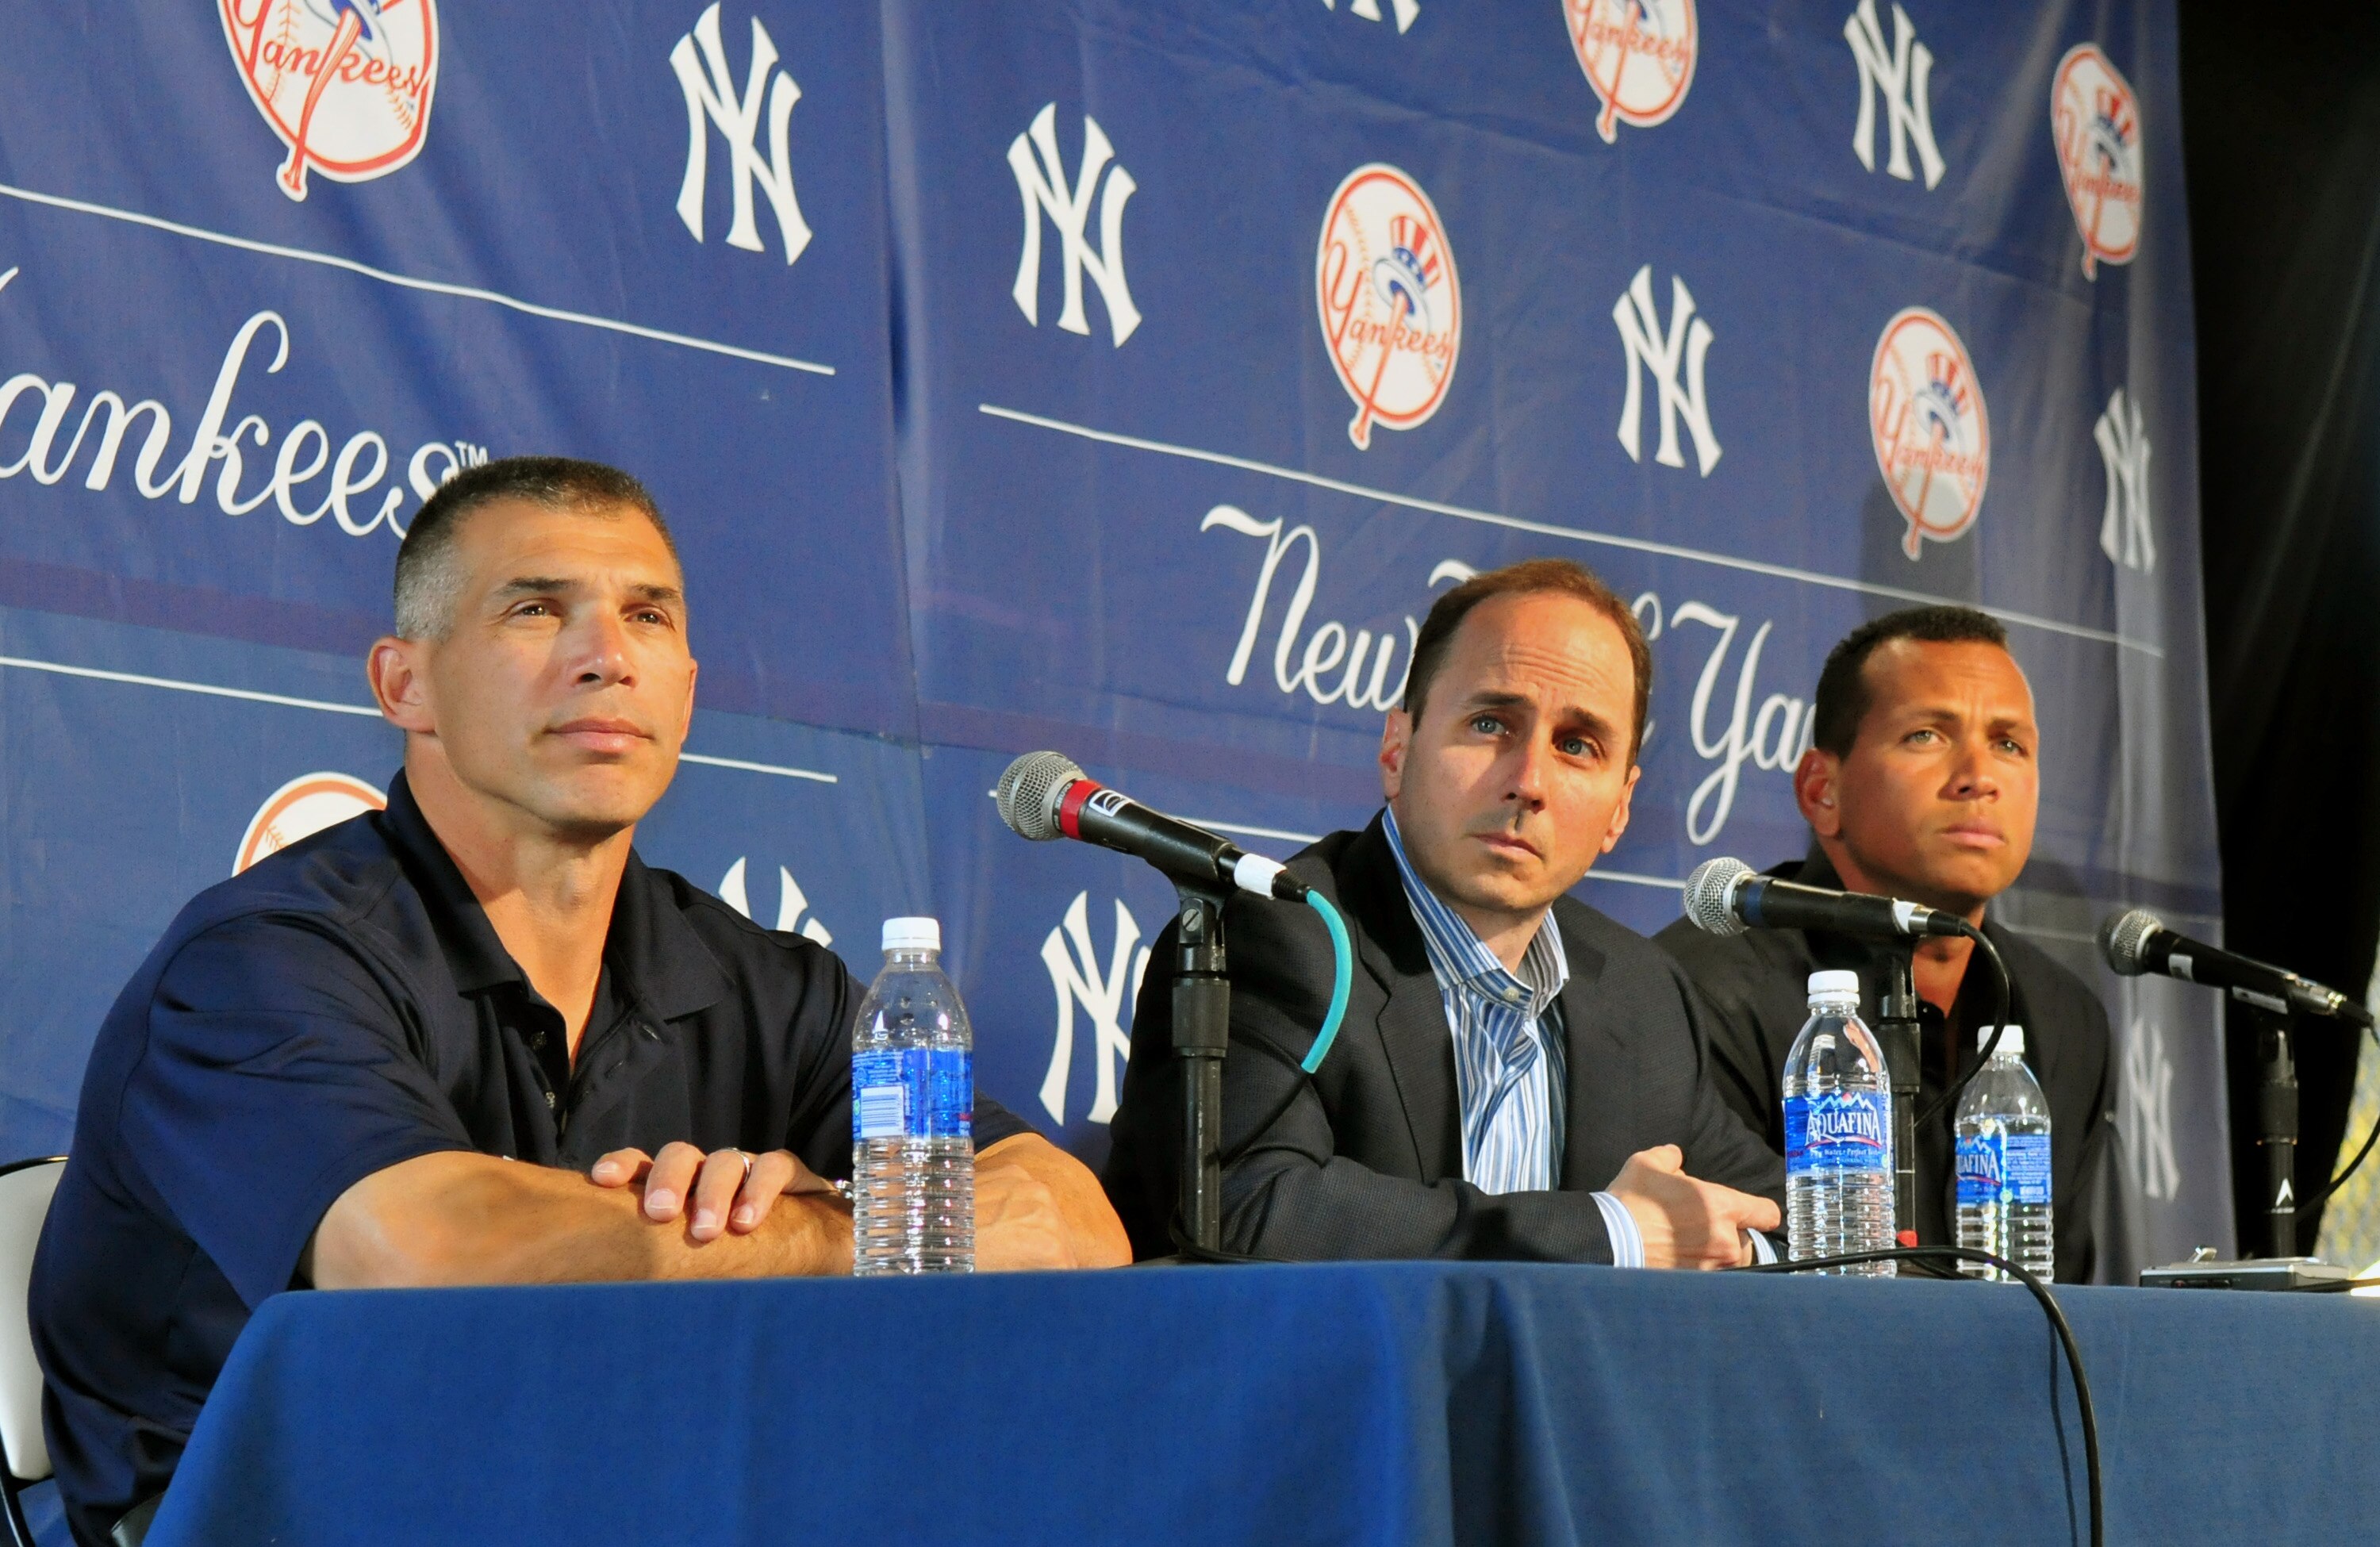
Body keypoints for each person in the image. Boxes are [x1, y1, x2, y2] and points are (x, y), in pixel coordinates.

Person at [30, 457, 1129, 1546]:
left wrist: (811, 1211)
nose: (606, 657)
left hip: (611, 1498)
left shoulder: (766, 980)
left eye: (646, 615)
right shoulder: (258, 962)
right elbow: (420, 1259)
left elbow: (1073, 1223)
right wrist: (826, 1236)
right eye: (535, 608)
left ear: (688, 689)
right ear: (403, 683)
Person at [1103, 559, 1783, 1265]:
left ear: (1620, 808)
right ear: (1397, 750)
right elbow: (1239, 1211)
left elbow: (1803, 1224)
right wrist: (1609, 1232)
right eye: (1491, 723)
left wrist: (1728, 1243)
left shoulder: (1645, 994)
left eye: (1577, 745)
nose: (1529, 782)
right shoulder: (1276, 937)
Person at [1655, 605, 2113, 1282]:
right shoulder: (1703, 988)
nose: (1978, 776)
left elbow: (2062, 1290)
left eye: (2009, 745)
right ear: (1822, 790)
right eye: (1927, 735)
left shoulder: (2064, 1016)